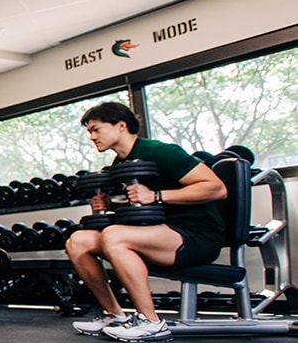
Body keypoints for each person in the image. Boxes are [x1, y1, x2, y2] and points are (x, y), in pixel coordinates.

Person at [66, 102, 226, 342]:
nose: (91, 137)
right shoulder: (119, 166)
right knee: (78, 241)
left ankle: (151, 321)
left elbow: (216, 188)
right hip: (158, 234)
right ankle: (115, 314)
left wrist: (157, 196)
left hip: (196, 235)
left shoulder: (159, 151)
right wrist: (110, 205)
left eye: (96, 129)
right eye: (89, 131)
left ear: (121, 126)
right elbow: (140, 208)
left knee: (114, 235)